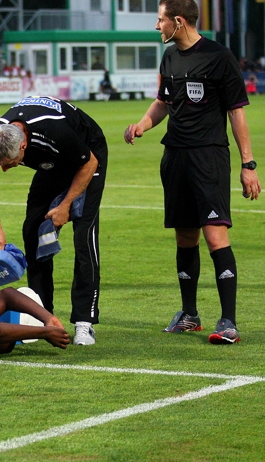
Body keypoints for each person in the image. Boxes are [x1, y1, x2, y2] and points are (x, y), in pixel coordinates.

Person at [123, 0, 261, 345]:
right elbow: (164, 102)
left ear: (179, 22)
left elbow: (237, 112)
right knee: (185, 237)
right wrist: (142, 125)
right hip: (175, 157)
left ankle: (228, 321)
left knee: (215, 236)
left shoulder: (219, 56)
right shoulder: (169, 57)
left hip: (208, 158)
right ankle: (189, 315)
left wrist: (248, 165)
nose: (157, 27)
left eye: (161, 20)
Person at [0, 96, 108, 346]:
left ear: (23, 147)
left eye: (9, 164)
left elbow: (89, 162)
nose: (3, 170)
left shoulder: (54, 131)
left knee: (85, 237)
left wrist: (65, 205)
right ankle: (44, 316)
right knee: (32, 231)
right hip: (51, 161)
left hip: (87, 154)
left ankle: (84, 323)